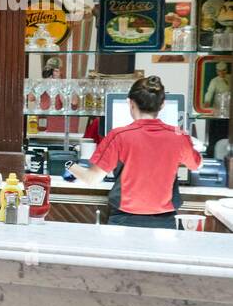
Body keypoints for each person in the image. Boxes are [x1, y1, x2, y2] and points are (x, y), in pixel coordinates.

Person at [66, 76, 202, 228]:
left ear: (130, 103)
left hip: (125, 221)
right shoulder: (179, 136)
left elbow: (91, 179)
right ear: (162, 105)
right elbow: (196, 164)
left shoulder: (119, 136)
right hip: (165, 223)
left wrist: (69, 165)